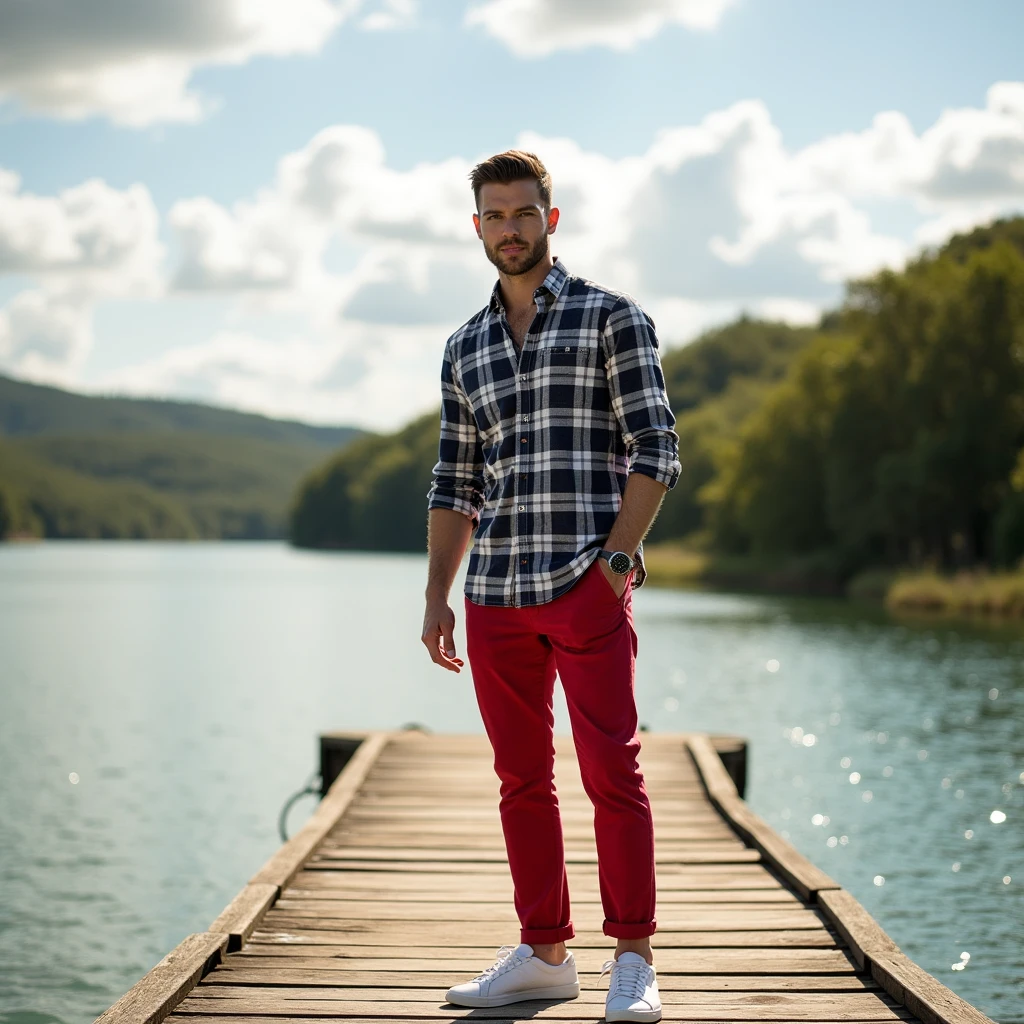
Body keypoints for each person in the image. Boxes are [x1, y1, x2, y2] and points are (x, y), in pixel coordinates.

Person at [421, 150, 680, 1024]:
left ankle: (634, 960)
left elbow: (657, 448)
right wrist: (436, 598)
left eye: (524, 213)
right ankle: (544, 953)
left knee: (614, 769)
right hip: (494, 594)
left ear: (551, 218)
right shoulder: (463, 347)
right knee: (521, 780)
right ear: (478, 227)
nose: (510, 229)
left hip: (583, 582)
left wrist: (614, 563)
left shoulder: (614, 319)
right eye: (494, 216)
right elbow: (455, 481)